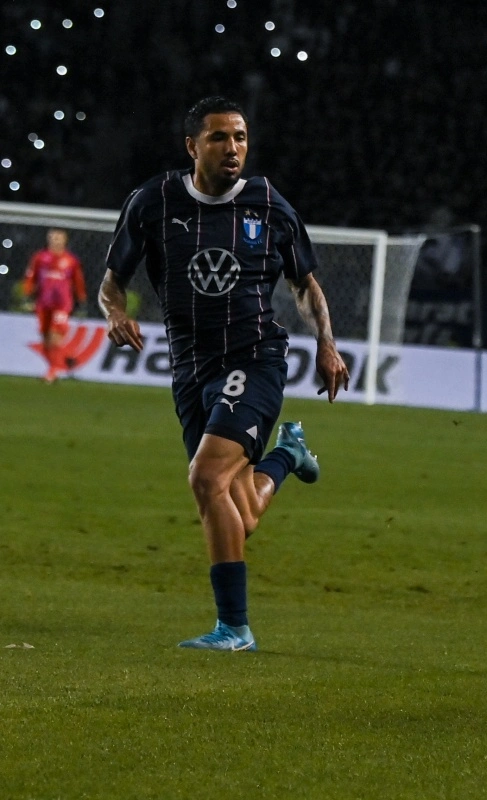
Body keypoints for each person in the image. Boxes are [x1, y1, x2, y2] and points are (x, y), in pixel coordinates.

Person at [99, 96, 350, 652]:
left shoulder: (268, 205)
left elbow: (304, 286)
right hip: (190, 369)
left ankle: (234, 628)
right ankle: (289, 455)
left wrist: (327, 345)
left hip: (254, 359)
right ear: (192, 146)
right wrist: (116, 313)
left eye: (239, 137)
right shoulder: (153, 201)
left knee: (205, 479)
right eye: (218, 138)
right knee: (241, 512)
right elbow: (112, 280)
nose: (232, 148)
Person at [22, 228, 87, 382]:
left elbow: (78, 282)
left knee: (54, 336)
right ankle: (66, 358)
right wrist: (27, 293)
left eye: (58, 238)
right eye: (52, 238)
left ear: (64, 241)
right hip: (43, 303)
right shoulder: (40, 257)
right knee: (45, 340)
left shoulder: (71, 261)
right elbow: (31, 277)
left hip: (62, 304)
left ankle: (51, 373)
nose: (55, 241)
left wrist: (81, 299)